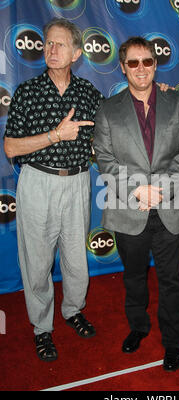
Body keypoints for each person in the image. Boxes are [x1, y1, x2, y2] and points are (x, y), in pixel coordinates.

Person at [3, 18, 104, 362]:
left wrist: (158, 94)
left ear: (77, 53)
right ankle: (42, 328)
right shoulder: (27, 92)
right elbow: (11, 148)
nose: (51, 49)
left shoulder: (89, 94)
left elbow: (110, 132)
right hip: (37, 181)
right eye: (48, 43)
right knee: (37, 261)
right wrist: (54, 136)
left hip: (77, 181)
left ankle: (73, 310)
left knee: (76, 260)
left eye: (60, 44)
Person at [93, 37, 179, 371]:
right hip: (127, 208)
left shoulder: (177, 102)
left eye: (147, 61)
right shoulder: (108, 109)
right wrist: (138, 190)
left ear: (155, 64)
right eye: (133, 62)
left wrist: (161, 188)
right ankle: (138, 327)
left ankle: (172, 341)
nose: (141, 68)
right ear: (122, 67)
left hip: (168, 207)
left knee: (171, 280)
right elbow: (104, 159)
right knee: (134, 277)